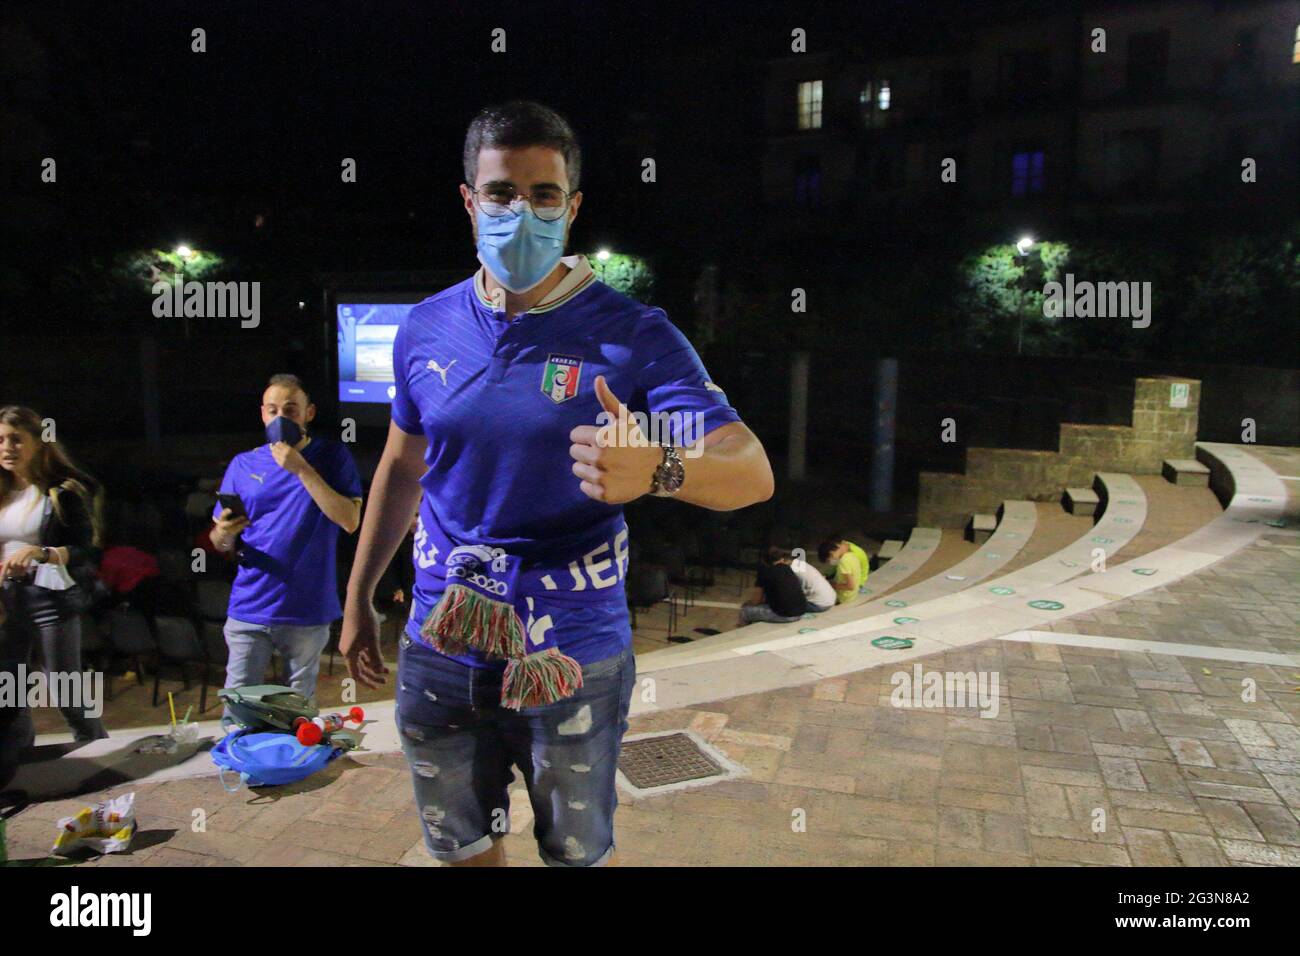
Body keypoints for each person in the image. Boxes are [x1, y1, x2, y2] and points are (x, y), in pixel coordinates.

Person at [339, 100, 774, 868]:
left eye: (544, 196)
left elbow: (750, 471)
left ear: (571, 209)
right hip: (439, 643)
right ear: (470, 202)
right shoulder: (426, 327)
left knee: (576, 854)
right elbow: (405, 467)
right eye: (502, 192)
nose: (522, 212)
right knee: (461, 845)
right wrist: (360, 598)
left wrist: (658, 469)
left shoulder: (633, 336)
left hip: (570, 655)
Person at [209, 375, 362, 725]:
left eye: (291, 410)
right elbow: (219, 542)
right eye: (273, 410)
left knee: (296, 709)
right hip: (250, 604)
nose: (281, 418)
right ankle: (238, 770)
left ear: (308, 413)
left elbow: (349, 520)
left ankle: (294, 770)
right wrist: (223, 533)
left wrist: (301, 469)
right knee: (238, 703)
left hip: (306, 607)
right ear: (262, 414)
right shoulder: (243, 464)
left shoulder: (332, 456)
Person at [0, 405, 108, 743]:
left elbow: (88, 550)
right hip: (7, 600)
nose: (6, 447)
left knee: (65, 690)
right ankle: (18, 763)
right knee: (11, 693)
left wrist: (42, 553)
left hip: (49, 597)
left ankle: (97, 754)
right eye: (1, 440)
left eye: (16, 440)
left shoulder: (64, 491)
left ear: (39, 443)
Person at [738, 547, 808, 625]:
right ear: (781, 558)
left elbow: (756, 600)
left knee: (745, 610)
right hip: (801, 611)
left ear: (764, 560)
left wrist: (748, 603)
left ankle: (743, 634)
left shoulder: (765, 572)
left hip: (786, 615)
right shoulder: (787, 568)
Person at [818, 534, 871, 604]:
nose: (830, 561)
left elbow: (851, 586)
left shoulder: (845, 560)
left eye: (828, 560)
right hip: (852, 585)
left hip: (854, 587)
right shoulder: (849, 553)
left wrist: (832, 585)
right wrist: (826, 574)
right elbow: (838, 567)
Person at [787, 547, 836, 613]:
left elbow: (796, 592)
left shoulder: (793, 571)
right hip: (831, 599)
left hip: (820, 605)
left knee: (786, 604)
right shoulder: (803, 564)